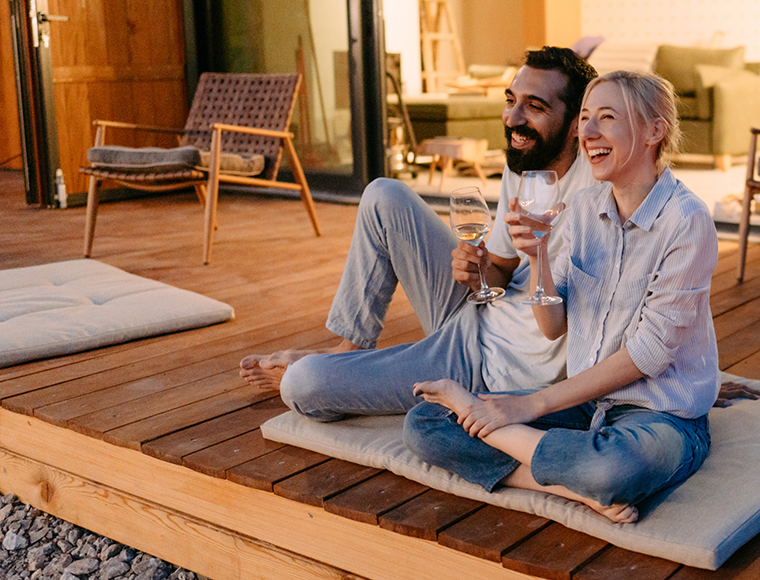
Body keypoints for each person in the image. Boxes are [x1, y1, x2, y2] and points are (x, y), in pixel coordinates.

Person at [404, 70, 723, 524]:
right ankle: (581, 490)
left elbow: (649, 354)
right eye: (586, 118)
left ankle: (582, 474)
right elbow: (554, 324)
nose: (586, 132)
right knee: (424, 424)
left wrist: (528, 405)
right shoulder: (585, 210)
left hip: (659, 415)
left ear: (655, 130)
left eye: (606, 118)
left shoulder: (687, 221)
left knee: (615, 466)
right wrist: (537, 259)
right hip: (587, 405)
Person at [239, 47, 600, 419]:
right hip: (477, 310)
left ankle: (360, 369)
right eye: (511, 100)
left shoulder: (601, 186)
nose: (513, 118)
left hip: (486, 364)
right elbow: (501, 271)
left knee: (303, 383)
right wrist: (476, 270)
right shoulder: (525, 160)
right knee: (384, 194)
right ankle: (350, 348)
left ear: (577, 124)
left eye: (535, 106)